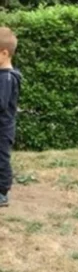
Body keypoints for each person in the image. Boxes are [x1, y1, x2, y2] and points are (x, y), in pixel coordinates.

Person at [0, 27, 23, 208]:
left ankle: (2, 193)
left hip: (3, 130)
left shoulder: (7, 78)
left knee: (1, 159)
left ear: (4, 53)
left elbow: (1, 104)